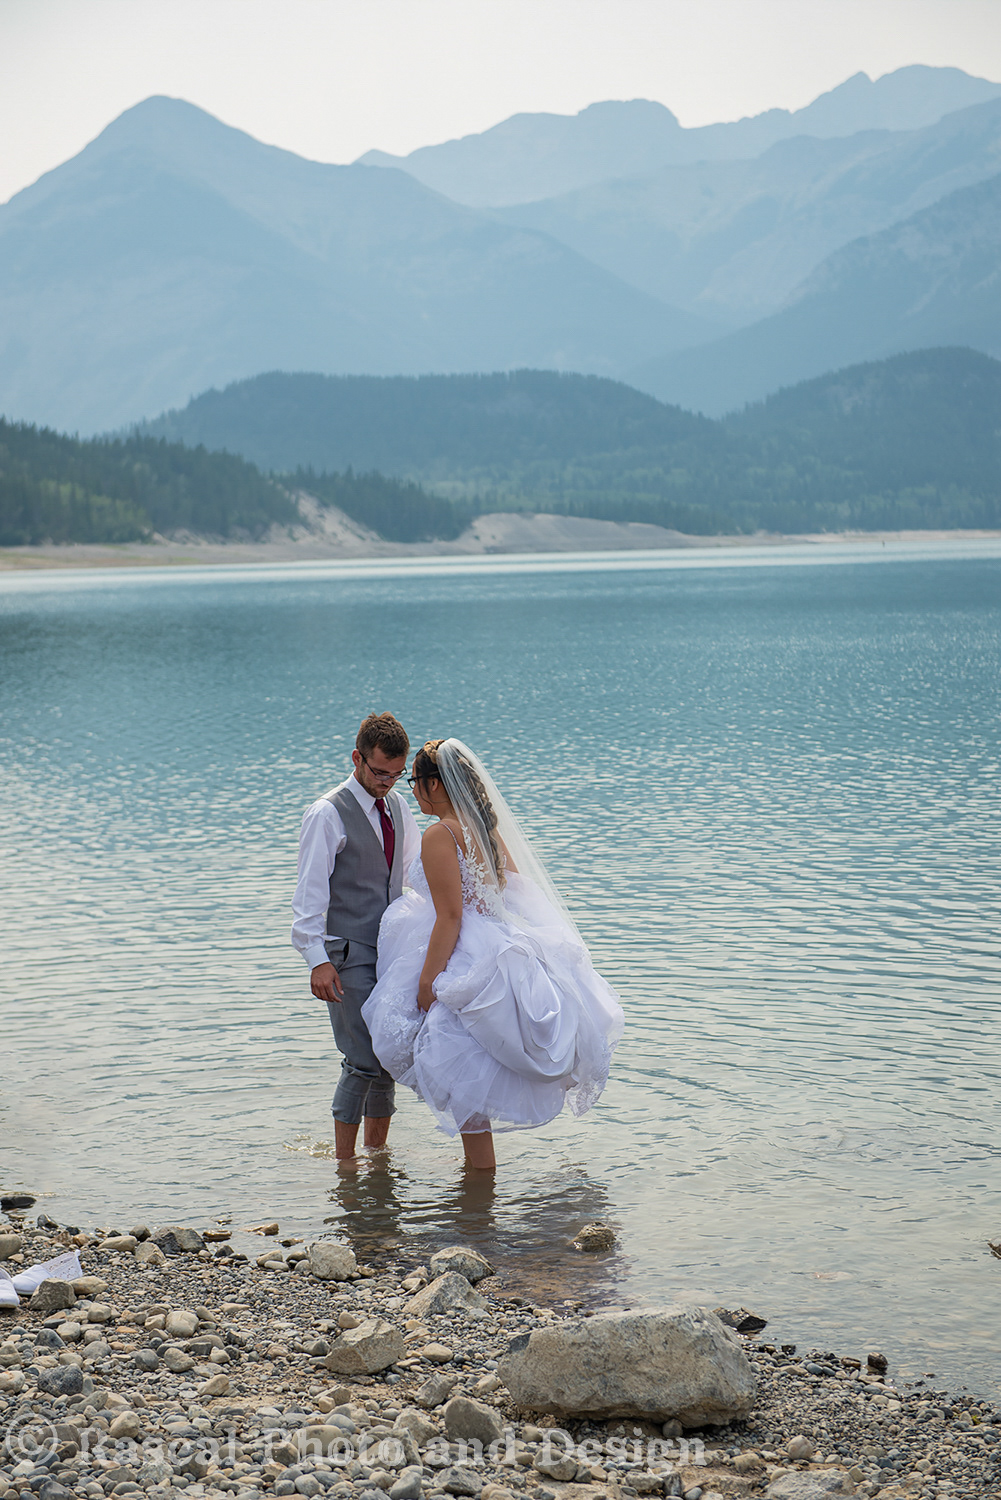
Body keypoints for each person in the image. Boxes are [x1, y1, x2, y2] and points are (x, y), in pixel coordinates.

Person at [362, 738, 625, 1170]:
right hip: (498, 944)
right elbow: (513, 888)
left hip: (463, 953)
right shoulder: (484, 828)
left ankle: (476, 1199)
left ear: (437, 783)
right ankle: (479, 1194)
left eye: (415, 781)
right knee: (475, 1072)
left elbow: (450, 917)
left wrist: (428, 982)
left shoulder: (439, 834)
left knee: (461, 1071)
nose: (411, 789)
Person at [292, 712, 421, 1160]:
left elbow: (414, 875)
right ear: (357, 758)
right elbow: (309, 897)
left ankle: (376, 1159)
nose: (387, 782)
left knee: (387, 1055)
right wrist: (316, 959)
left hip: (390, 951)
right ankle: (345, 1167)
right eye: (379, 771)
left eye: (397, 774)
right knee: (362, 1057)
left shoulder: (399, 809)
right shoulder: (327, 813)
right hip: (345, 952)